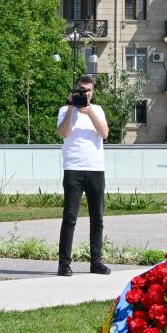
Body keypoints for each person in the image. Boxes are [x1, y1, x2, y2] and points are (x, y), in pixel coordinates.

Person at [56, 74, 111, 277]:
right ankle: (64, 264)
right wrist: (72, 107)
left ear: (92, 91)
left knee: (97, 218)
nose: (85, 94)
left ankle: (96, 262)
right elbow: (63, 132)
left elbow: (104, 133)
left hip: (96, 169)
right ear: (75, 90)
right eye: (81, 90)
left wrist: (90, 113)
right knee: (69, 217)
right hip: (73, 168)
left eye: (88, 91)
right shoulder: (65, 110)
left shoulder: (97, 110)